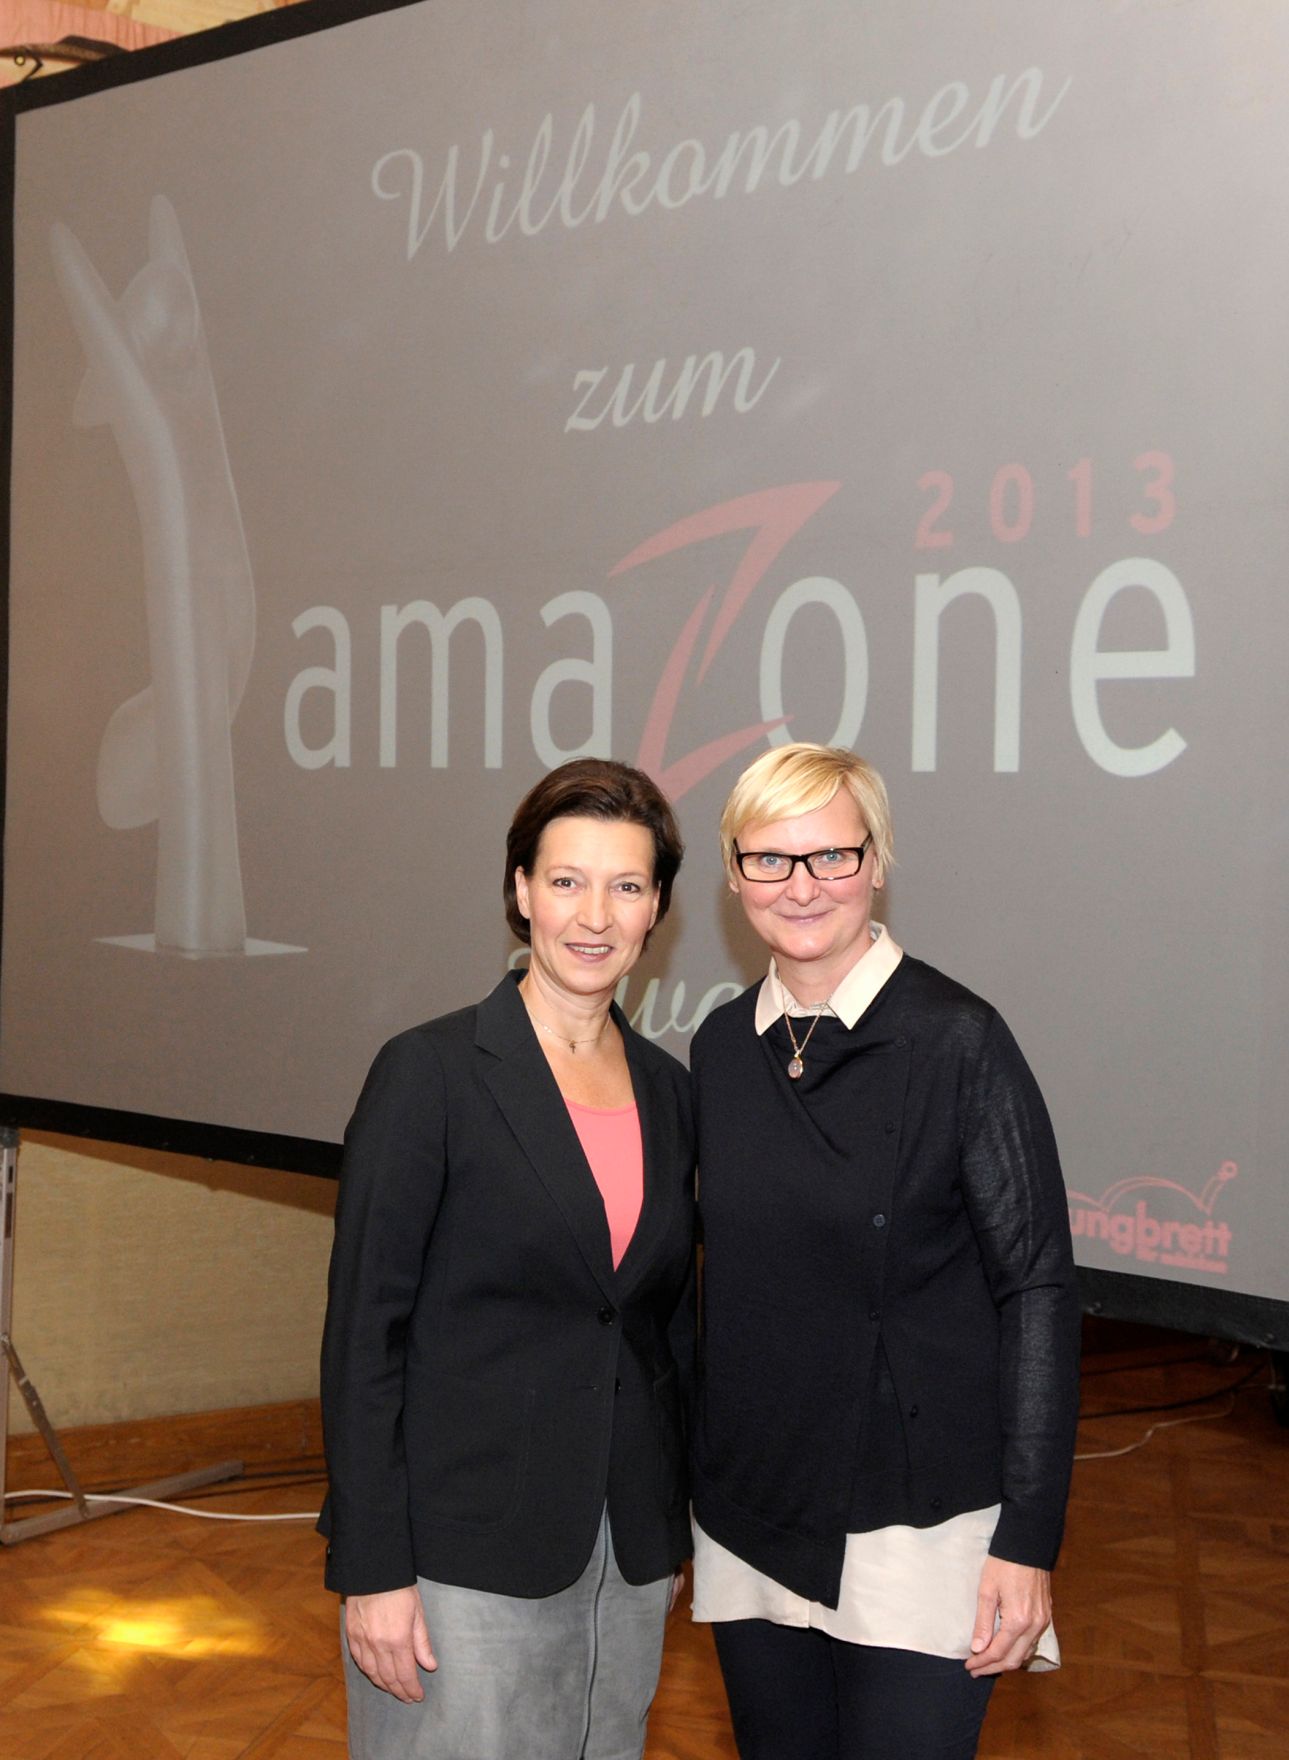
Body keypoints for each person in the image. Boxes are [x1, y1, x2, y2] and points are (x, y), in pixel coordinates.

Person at [689, 743, 1080, 1760]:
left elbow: (1036, 1291)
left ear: (876, 861)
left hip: (919, 1527)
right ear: (732, 874)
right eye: (770, 858)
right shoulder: (718, 1049)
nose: (802, 885)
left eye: (832, 854)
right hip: (751, 1511)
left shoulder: (959, 1039)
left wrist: (1026, 1538)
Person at [319, 758, 696, 1760]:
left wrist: (665, 1527)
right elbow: (363, 1337)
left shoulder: (669, 1091)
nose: (594, 914)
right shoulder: (429, 1073)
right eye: (566, 880)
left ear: (656, 907)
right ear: (521, 890)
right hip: (458, 1554)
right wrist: (373, 1566)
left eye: (625, 885)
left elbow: (660, 1327)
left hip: (624, 1550)